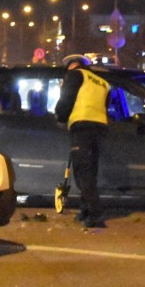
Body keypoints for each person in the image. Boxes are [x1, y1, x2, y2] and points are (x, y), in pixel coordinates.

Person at [54, 54, 110, 228]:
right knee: (90, 170)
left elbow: (66, 99)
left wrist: (61, 118)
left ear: (74, 65)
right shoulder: (102, 82)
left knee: (82, 172)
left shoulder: (75, 75)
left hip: (82, 126)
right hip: (99, 128)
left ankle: (95, 213)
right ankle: (85, 210)